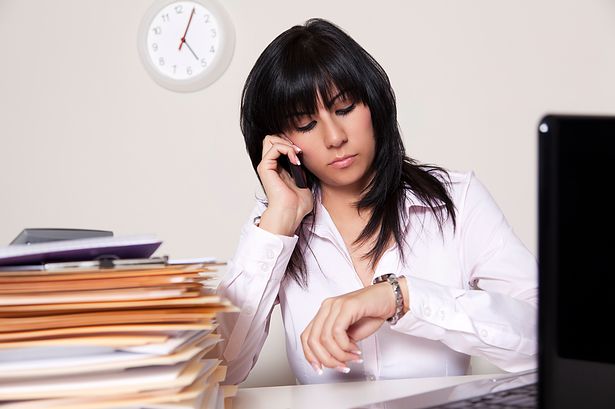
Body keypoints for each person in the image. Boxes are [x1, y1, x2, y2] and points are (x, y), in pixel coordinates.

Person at [216, 18, 537, 385]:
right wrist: (280, 221)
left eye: (345, 107)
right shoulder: (276, 225)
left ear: (373, 104)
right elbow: (219, 371)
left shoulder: (457, 200)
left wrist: (401, 297)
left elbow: (548, 341)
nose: (335, 137)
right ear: (279, 140)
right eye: (305, 124)